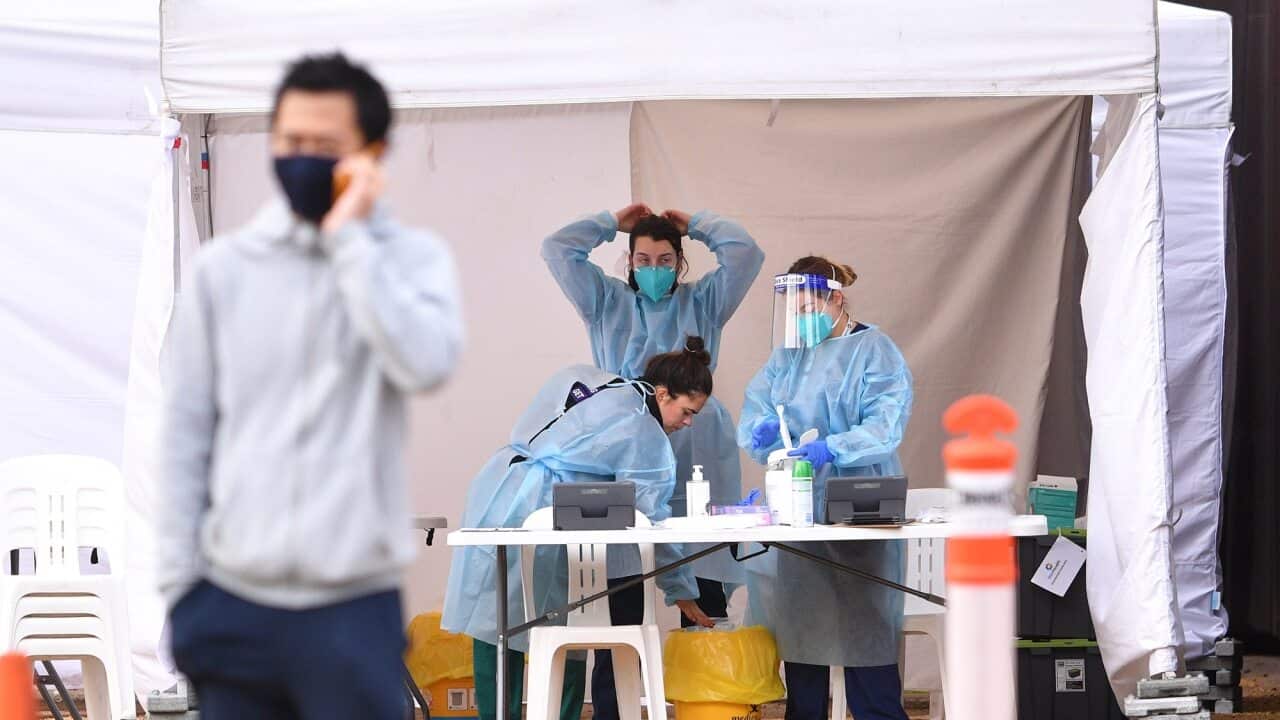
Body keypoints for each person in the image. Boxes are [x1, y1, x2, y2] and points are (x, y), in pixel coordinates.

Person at [157, 53, 463, 720]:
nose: (303, 158)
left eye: (325, 146)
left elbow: (426, 362)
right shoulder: (224, 272)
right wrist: (181, 592)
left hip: (350, 606)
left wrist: (351, 242)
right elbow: (184, 439)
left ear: (372, 153)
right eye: (291, 141)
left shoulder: (410, 263)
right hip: (230, 601)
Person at [542, 205, 763, 718]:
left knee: (704, 582)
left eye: (665, 259)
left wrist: (701, 224)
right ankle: (615, 707)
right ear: (629, 262)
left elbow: (745, 253)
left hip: (698, 444)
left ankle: (705, 703)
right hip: (625, 448)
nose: (654, 267)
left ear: (681, 263)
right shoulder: (605, 301)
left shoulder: (703, 302)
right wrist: (609, 221)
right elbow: (558, 249)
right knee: (621, 589)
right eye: (643, 258)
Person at [442, 338, 718, 720]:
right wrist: (682, 590)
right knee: (558, 620)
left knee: (496, 621)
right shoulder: (645, 434)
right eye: (687, 412)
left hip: (497, 489)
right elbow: (647, 523)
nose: (687, 424)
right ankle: (560, 713)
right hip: (544, 509)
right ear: (663, 393)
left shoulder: (593, 381)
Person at [738, 257, 914, 720]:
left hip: (860, 504)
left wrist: (834, 448)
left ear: (836, 299)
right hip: (801, 508)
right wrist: (762, 432)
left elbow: (884, 425)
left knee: (866, 635)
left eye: (807, 307)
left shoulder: (874, 351)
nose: (799, 320)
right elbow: (761, 406)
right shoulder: (789, 356)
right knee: (804, 636)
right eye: (792, 311)